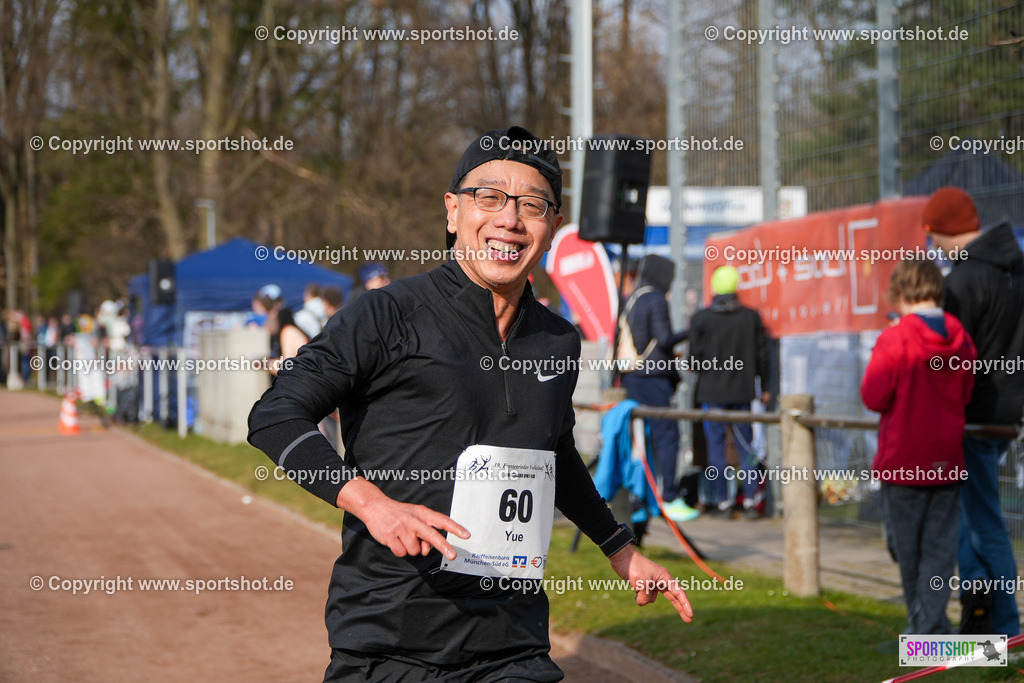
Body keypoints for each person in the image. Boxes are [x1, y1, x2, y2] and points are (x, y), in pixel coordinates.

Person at [248, 125, 693, 681]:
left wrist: (622, 552)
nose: (509, 219)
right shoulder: (385, 315)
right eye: (489, 198)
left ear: (553, 229)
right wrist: (370, 503)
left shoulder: (558, 340)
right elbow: (275, 415)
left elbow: (551, 452)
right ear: (453, 211)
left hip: (513, 643)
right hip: (390, 642)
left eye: (532, 205)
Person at [922, 186, 1024, 636]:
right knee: (970, 515)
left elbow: (949, 357)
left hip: (970, 414)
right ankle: (979, 618)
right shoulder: (1015, 270)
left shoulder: (963, 281)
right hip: (1006, 410)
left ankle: (1005, 625)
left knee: (983, 521)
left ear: (941, 232)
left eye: (932, 236)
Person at [861, 258, 976, 634]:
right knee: (939, 551)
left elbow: (874, 396)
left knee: (906, 549)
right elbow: (966, 391)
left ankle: (925, 631)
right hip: (946, 459)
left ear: (900, 292)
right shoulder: (960, 335)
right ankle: (931, 628)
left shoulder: (894, 338)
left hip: (904, 460)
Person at [619, 254, 697, 523]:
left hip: (631, 377)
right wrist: (691, 329)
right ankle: (670, 497)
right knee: (667, 436)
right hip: (654, 378)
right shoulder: (655, 299)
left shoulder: (633, 297)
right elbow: (663, 339)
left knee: (641, 440)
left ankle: (640, 500)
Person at [688, 265, 771, 517]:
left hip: (711, 393)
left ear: (714, 287)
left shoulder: (701, 318)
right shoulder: (750, 317)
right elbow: (762, 356)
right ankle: (750, 500)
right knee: (746, 447)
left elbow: (693, 361)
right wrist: (765, 387)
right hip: (742, 392)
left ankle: (723, 501)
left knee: (716, 449)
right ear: (736, 286)